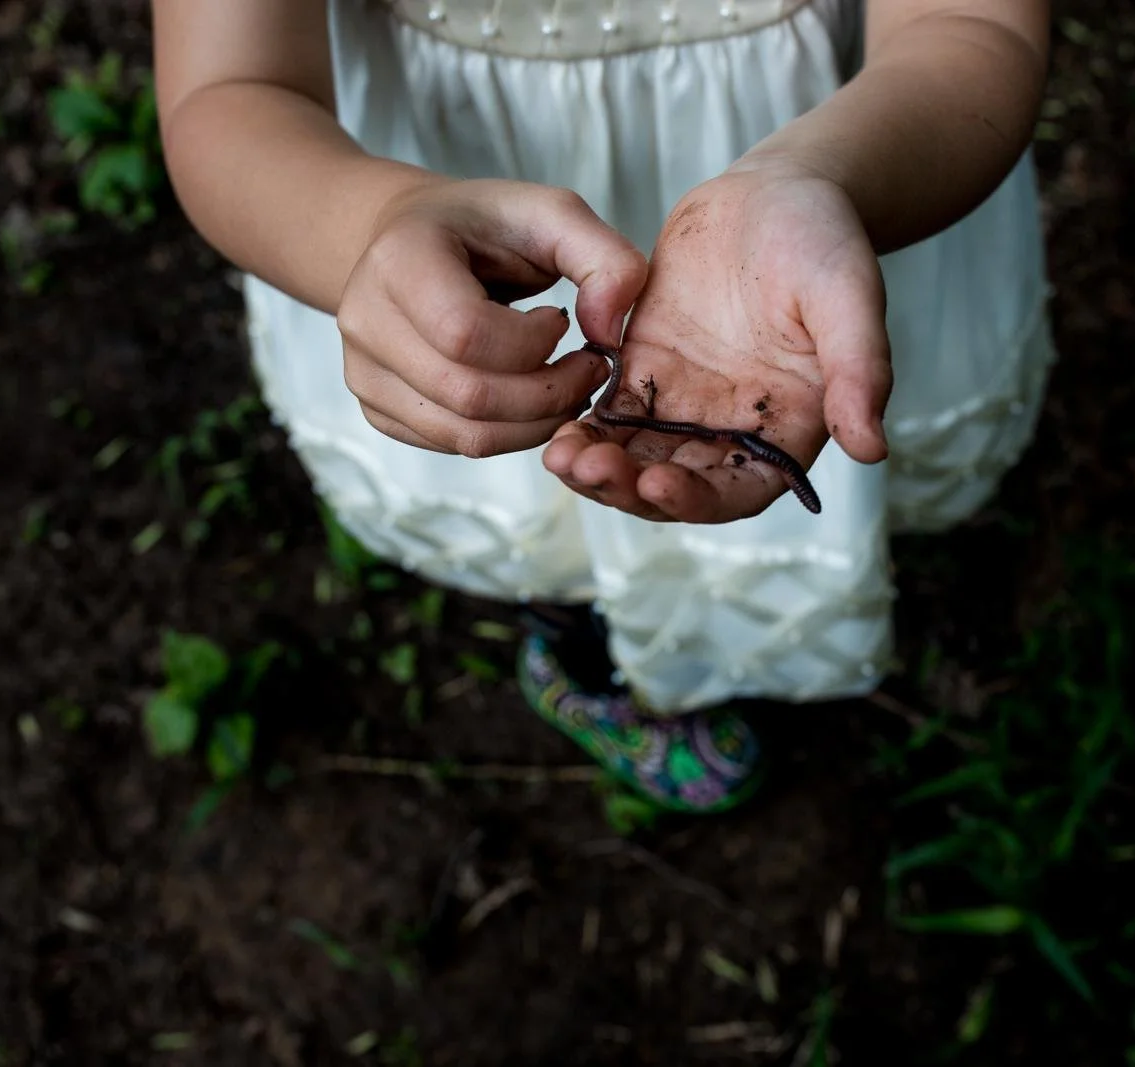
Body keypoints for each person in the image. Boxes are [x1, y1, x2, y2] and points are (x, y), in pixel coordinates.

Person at [151, 0, 1056, 813]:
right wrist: (377, 225)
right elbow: (229, 90)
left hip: (845, 162)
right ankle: (580, 647)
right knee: (550, 498)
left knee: (665, 460)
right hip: (439, 220)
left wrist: (822, 178)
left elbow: (974, 27)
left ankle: (669, 632)